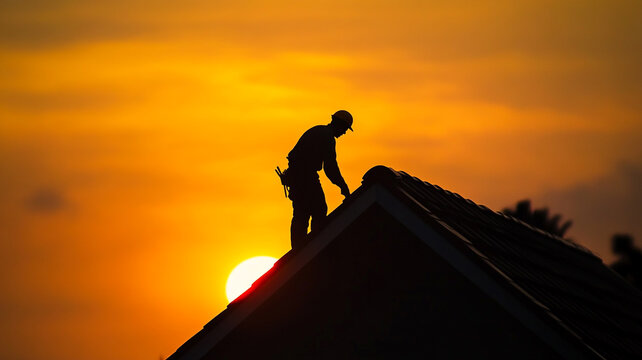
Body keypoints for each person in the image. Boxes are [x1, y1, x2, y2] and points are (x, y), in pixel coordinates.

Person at [285, 110, 353, 249]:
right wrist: (343, 186)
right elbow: (330, 168)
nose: (344, 133)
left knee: (301, 213)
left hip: (299, 177)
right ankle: (314, 246)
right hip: (305, 177)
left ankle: (299, 248)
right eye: (345, 129)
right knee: (319, 210)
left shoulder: (317, 131)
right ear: (339, 125)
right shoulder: (327, 137)